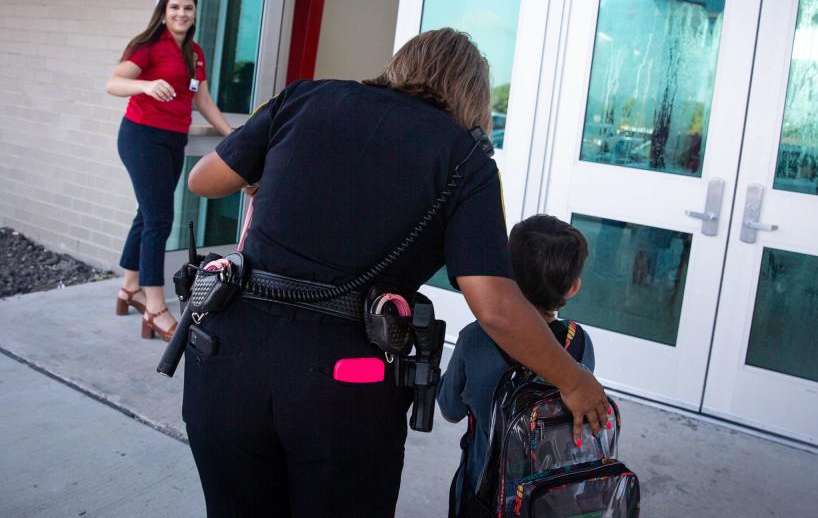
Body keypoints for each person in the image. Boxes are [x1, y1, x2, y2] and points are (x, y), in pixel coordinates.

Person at [184, 28, 609, 517]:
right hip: (343, 385)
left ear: (402, 65)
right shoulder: (465, 158)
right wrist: (574, 379)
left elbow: (204, 180)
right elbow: (496, 307)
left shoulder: (304, 96)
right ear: (471, 96)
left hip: (224, 358)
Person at [438, 214, 596, 513]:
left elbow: (450, 411)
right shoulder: (579, 342)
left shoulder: (476, 338)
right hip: (551, 496)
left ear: (506, 272)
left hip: (483, 494)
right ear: (573, 287)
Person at [106, 0, 234, 341]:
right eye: (175, 7)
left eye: (188, 8)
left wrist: (232, 135)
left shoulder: (195, 52)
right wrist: (145, 86)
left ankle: (128, 289)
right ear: (164, 11)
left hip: (172, 140)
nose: (181, 14)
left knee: (146, 214)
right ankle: (154, 305)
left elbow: (203, 101)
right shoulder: (146, 46)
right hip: (141, 137)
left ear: (194, 14)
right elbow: (113, 83)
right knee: (160, 218)